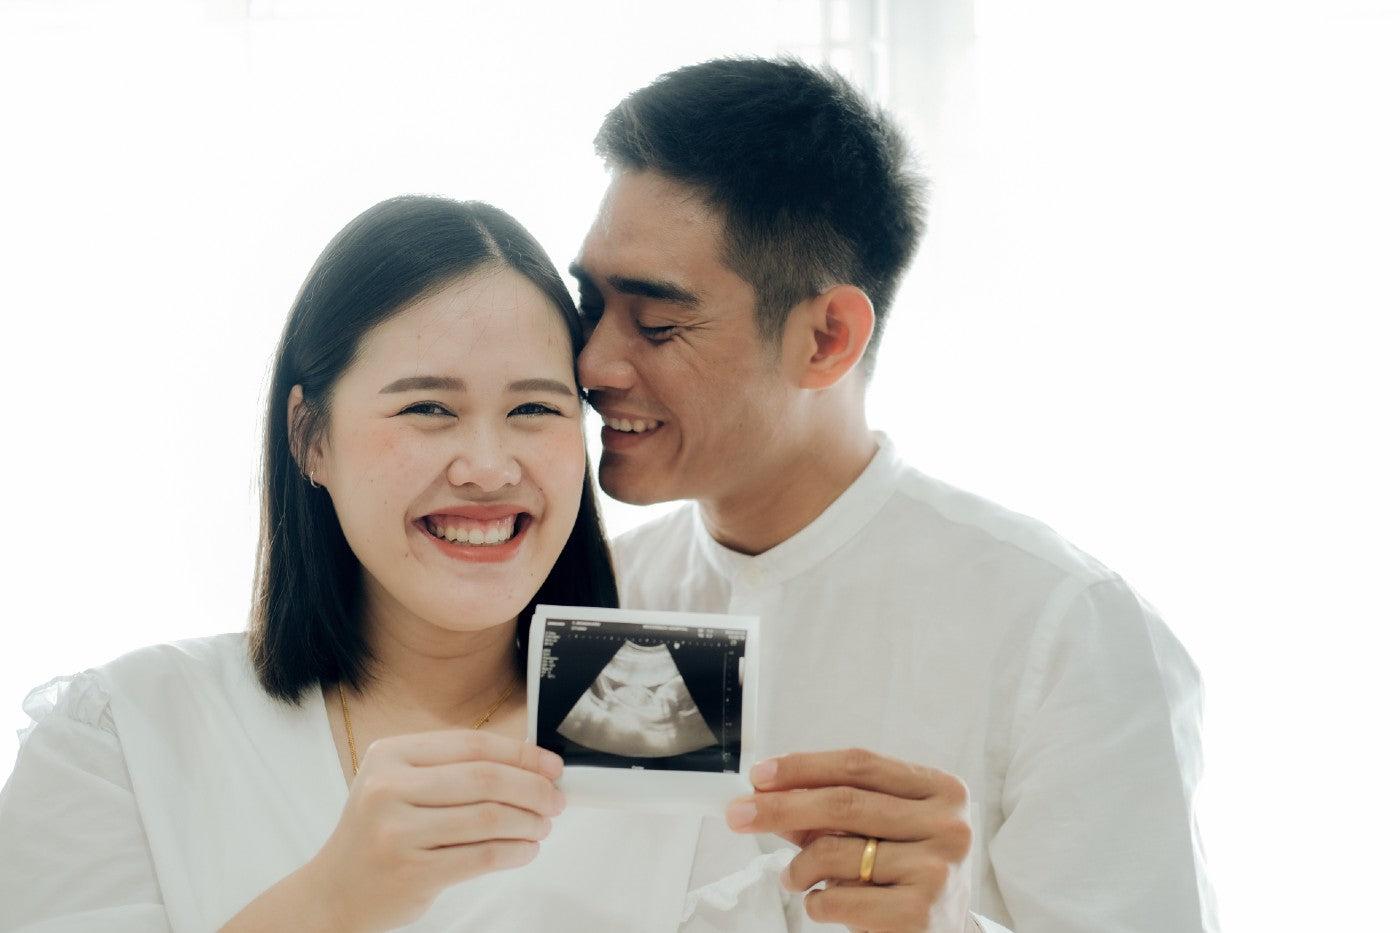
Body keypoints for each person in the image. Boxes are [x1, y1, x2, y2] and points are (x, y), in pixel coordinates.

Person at [0, 197, 786, 932]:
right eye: (428, 407)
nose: (487, 465)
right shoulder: (123, 735)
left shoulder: (669, 722)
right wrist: (334, 897)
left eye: (535, 409)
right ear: (310, 437)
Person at [572, 58, 1218, 932]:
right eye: (589, 304)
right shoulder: (589, 596)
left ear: (827, 337)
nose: (593, 365)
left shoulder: (1063, 628)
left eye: (656, 323)